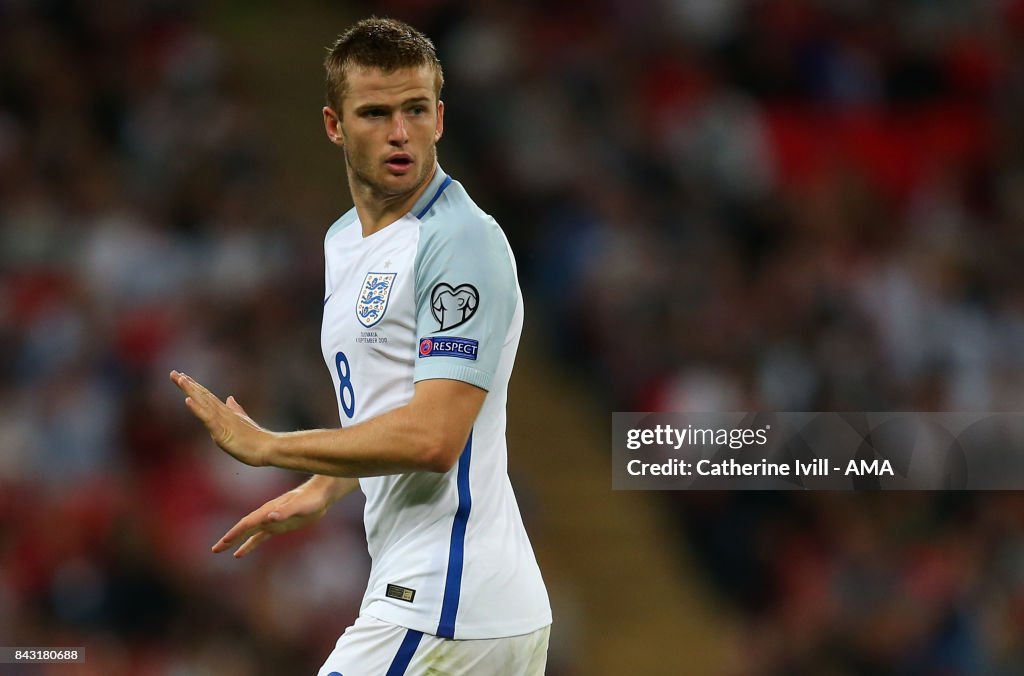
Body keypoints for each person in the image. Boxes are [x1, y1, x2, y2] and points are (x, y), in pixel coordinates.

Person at [169, 16, 551, 676]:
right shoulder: (345, 240)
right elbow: (389, 405)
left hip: (445, 602)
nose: (399, 132)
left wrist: (272, 448)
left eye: (414, 110)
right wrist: (321, 488)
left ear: (439, 116)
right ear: (333, 125)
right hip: (454, 604)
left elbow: (434, 438)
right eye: (374, 113)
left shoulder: (459, 241)